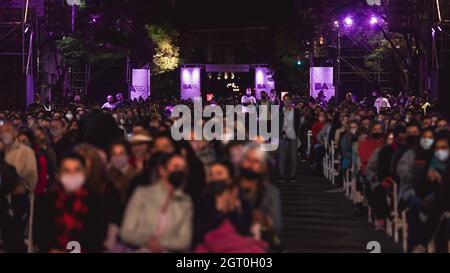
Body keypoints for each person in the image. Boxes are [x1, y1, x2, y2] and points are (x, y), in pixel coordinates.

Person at [34, 152, 109, 253]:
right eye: (67, 170)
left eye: (77, 170)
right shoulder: (48, 200)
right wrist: (51, 249)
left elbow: (99, 234)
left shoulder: (96, 200)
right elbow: (40, 232)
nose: (72, 174)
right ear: (59, 174)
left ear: (84, 172)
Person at [120, 153, 193, 252]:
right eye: (176, 167)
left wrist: (160, 244)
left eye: (183, 168)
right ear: (162, 171)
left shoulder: (185, 202)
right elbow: (126, 232)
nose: (180, 171)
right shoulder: (142, 194)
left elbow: (184, 240)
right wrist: (147, 241)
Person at [0, 138, 20, 252]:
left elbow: (11, 183)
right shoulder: (8, 168)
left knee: (8, 234)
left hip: (4, 203)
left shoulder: (8, 168)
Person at [278, 94, 300, 181]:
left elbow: (298, 123)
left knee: (293, 157)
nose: (287, 101)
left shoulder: (295, 111)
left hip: (293, 135)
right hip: (282, 136)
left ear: (291, 101)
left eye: (288, 99)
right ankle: (281, 175)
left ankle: (293, 175)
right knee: (282, 156)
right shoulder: (280, 111)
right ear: (283, 101)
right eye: (285, 99)